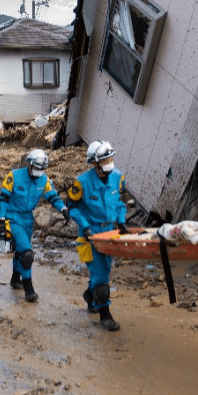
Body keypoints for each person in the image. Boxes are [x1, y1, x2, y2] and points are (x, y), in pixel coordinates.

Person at [66, 141, 128, 331]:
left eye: (110, 158)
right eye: (104, 160)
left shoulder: (118, 178)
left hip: (111, 232)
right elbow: (72, 208)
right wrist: (84, 227)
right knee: (101, 275)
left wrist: (122, 221)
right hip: (91, 235)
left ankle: (89, 295)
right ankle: (105, 315)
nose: (109, 162)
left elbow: (119, 202)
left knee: (105, 270)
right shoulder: (82, 183)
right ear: (94, 163)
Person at [0, 149, 68, 302]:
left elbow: (52, 197)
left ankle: (15, 279)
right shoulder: (14, 176)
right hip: (12, 217)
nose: (39, 172)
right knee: (27, 254)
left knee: (20, 251)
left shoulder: (44, 180)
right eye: (37, 168)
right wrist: (1, 219)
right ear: (30, 164)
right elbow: (3, 198)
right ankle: (29, 289)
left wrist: (63, 208)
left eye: (42, 169)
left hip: (28, 219)